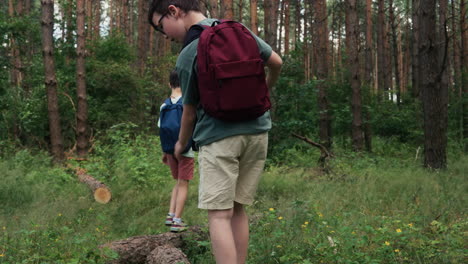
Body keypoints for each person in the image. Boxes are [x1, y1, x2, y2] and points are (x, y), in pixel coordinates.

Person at [149, 1, 283, 263]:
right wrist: (264, 94)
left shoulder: (189, 52)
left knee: (219, 215)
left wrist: (180, 144)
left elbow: (189, 112)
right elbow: (276, 62)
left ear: (174, 11)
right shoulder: (239, 30)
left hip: (219, 137)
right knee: (237, 210)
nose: (164, 35)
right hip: (257, 132)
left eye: (160, 26)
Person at [158, 70, 194, 233]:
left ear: (169, 84)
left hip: (170, 150)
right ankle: (177, 221)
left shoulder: (164, 105)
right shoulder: (187, 102)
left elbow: (161, 129)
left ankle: (170, 215)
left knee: (178, 182)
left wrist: (165, 152)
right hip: (185, 149)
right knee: (183, 183)